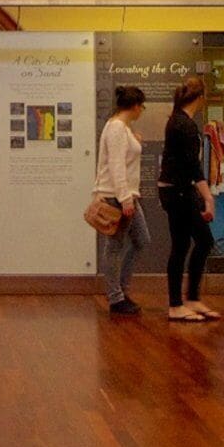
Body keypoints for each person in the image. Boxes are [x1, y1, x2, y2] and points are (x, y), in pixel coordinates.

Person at [161, 75, 218, 322]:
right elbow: (193, 167)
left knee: (184, 245)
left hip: (176, 189)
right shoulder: (185, 125)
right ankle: (181, 302)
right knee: (201, 241)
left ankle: (186, 299)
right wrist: (208, 199)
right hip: (179, 190)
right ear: (201, 98)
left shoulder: (177, 120)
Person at [92, 84, 150, 315]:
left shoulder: (122, 128)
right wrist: (125, 198)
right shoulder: (117, 128)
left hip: (126, 195)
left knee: (141, 240)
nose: (141, 111)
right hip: (118, 196)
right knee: (114, 246)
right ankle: (116, 296)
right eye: (141, 107)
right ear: (135, 106)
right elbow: (116, 165)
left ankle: (121, 290)